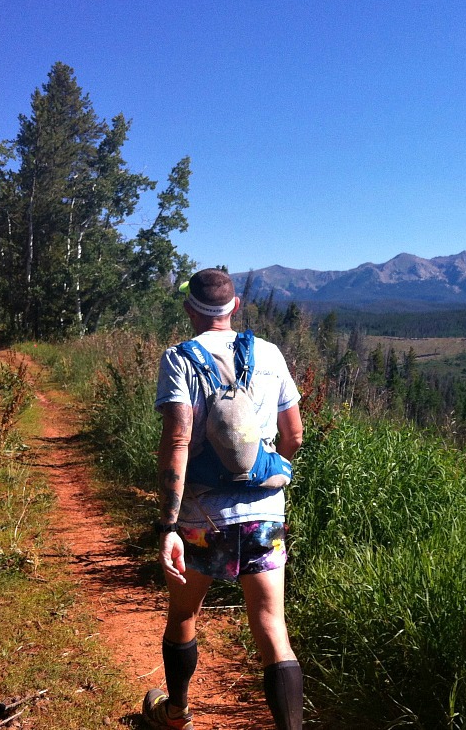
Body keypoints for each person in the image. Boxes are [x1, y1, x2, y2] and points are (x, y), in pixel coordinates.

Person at [144, 268, 304, 730]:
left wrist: (168, 526)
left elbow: (177, 441)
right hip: (264, 517)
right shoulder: (270, 353)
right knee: (272, 628)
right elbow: (293, 434)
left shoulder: (178, 358)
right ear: (234, 307)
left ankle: (176, 713)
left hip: (201, 517)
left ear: (190, 308)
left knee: (183, 613)